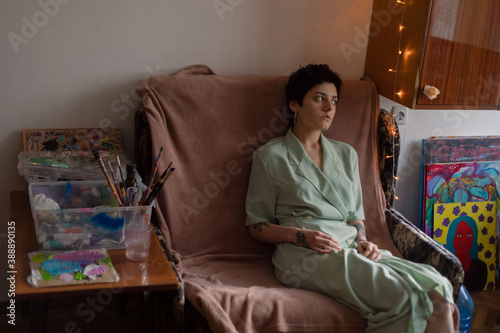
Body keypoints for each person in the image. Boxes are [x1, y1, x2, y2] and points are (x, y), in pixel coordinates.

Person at [245, 64, 458, 333]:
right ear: (294, 104)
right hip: (305, 254)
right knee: (404, 296)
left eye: (333, 101)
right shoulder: (270, 156)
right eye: (319, 98)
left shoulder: (346, 154)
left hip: (350, 246)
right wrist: (300, 235)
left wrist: (363, 241)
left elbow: (355, 216)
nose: (329, 109)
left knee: (439, 288)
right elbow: (256, 225)